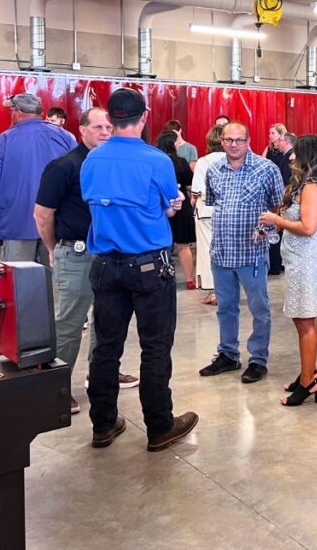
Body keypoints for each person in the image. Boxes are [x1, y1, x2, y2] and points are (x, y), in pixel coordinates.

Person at [81, 87, 197, 452]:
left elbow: (98, 204)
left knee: (105, 349)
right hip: (148, 267)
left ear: (111, 119)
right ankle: (159, 427)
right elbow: (167, 205)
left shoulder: (92, 160)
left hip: (104, 266)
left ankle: (102, 424)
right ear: (144, 117)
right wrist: (170, 208)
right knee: (155, 348)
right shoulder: (157, 161)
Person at [35, 108, 140, 415]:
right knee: (69, 323)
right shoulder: (63, 166)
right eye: (98, 127)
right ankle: (56, 389)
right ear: (82, 130)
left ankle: (101, 376)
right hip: (77, 253)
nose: (105, 131)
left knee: (106, 323)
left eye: (109, 126)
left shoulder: (112, 166)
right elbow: (43, 214)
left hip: (109, 254)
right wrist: (55, 248)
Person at [199, 122, 285, 384]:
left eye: (239, 140)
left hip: (252, 253)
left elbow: (278, 205)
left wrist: (268, 225)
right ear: (221, 141)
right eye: (228, 140)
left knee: (259, 309)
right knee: (226, 308)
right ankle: (228, 354)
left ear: (248, 141)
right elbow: (215, 203)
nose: (233, 144)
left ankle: (258, 359)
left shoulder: (266, 169)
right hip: (222, 252)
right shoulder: (214, 170)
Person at [259, 135, 317, 407]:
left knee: (304, 322)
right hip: (298, 260)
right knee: (305, 321)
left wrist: (277, 219)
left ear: (307, 157)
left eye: (296, 153)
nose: (290, 157)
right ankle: (309, 372)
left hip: (307, 262)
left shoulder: (312, 187)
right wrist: (273, 226)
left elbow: (308, 227)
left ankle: (307, 384)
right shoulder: (305, 185)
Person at [0, 93, 74, 263]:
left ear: (18, 112)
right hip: (56, 224)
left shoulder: (5, 139)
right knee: (55, 282)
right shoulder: (65, 137)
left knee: (18, 280)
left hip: (16, 225)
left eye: (11, 110)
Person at [155, 130, 197, 290]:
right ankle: (189, 280)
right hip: (181, 205)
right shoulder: (180, 162)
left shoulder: (156, 162)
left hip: (160, 205)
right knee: (183, 246)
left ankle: (162, 278)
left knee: (161, 247)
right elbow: (190, 182)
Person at [191, 125, 226, 305]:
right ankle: (225, 291)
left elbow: (196, 189)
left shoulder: (204, 161)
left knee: (206, 251)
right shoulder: (234, 159)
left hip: (206, 210)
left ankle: (213, 292)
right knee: (227, 251)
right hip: (229, 211)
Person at [268, 131, 296, 276]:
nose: (278, 143)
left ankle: (276, 265)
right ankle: (278, 264)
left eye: (280, 141)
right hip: (285, 200)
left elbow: (286, 183)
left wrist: (280, 204)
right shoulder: (285, 157)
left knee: (277, 231)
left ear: (287, 142)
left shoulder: (288, 158)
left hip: (285, 200)